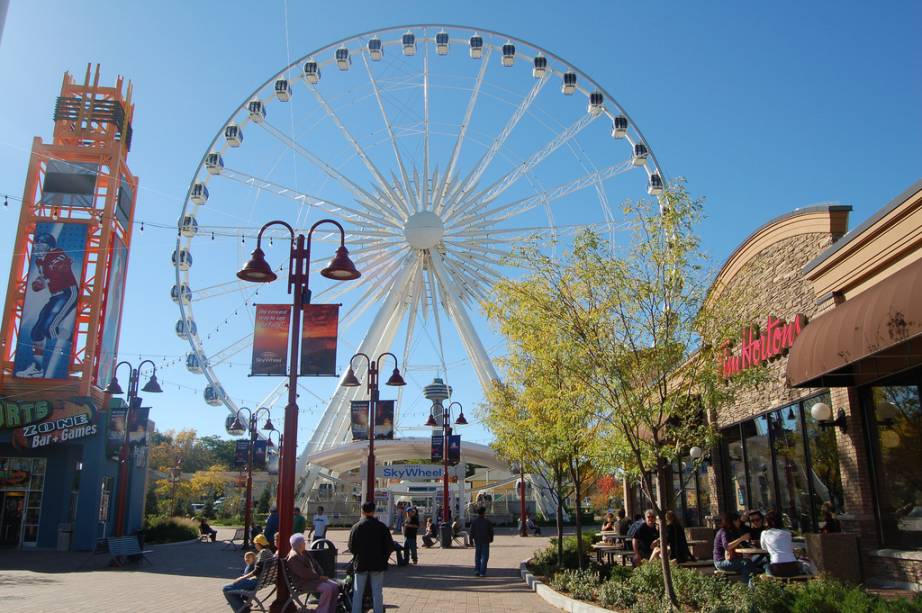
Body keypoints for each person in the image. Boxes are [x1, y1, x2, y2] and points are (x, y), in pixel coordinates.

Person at [16, 232, 79, 379]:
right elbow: (44, 278)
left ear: (50, 246)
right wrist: (40, 282)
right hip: (55, 296)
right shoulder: (40, 262)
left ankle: (71, 339)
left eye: (41, 246)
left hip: (67, 292)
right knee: (36, 332)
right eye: (37, 246)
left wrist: (52, 273)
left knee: (49, 329)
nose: (38, 249)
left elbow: (63, 264)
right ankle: (38, 368)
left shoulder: (56, 254)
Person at [349, 501, 396, 613]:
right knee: (377, 593)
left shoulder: (356, 527)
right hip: (378, 564)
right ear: (374, 511)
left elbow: (351, 546)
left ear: (362, 511)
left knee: (358, 592)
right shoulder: (382, 527)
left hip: (361, 563)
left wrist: (357, 555)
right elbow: (389, 546)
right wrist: (384, 558)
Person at [287, 533, 339, 613]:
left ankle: (330, 610)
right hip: (303, 582)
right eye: (303, 542)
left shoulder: (304, 552)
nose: (305, 543)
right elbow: (303, 573)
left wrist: (321, 574)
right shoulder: (294, 557)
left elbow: (315, 564)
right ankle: (321, 611)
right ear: (299, 544)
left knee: (335, 586)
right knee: (327, 589)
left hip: (314, 579)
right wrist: (319, 577)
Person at [222, 533, 274, 611]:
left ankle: (242, 609)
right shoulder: (269, 552)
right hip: (263, 580)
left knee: (226, 589)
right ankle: (242, 606)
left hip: (256, 582)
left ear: (258, 544)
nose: (254, 546)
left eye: (255, 544)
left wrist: (242, 577)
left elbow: (257, 571)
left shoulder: (263, 553)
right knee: (234, 588)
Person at [761, 510, 812, 578]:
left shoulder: (765, 533)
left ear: (769, 522)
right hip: (793, 567)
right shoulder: (787, 533)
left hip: (777, 568)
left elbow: (764, 548)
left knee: (766, 567)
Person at [713, 511, 757, 583]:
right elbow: (727, 546)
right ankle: (749, 589)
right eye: (738, 521)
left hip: (732, 559)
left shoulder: (733, 532)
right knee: (746, 563)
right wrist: (741, 538)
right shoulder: (723, 531)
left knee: (755, 562)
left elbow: (743, 544)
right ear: (733, 521)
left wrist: (752, 546)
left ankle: (753, 586)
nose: (739, 523)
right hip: (721, 561)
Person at [470, 507, 494, 577]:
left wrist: (471, 540)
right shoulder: (487, 521)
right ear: (484, 512)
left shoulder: (474, 521)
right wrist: (491, 538)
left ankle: (477, 570)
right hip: (485, 540)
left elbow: (471, 531)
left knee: (478, 556)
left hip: (477, 540)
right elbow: (491, 531)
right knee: (485, 556)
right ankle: (482, 572)